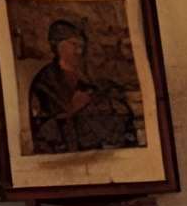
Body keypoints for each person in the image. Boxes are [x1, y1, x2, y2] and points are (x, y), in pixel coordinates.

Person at [27, 18, 141, 154]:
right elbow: (42, 124)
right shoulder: (46, 79)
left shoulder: (86, 74)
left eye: (81, 46)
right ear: (57, 45)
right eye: (74, 44)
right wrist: (72, 109)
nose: (79, 51)